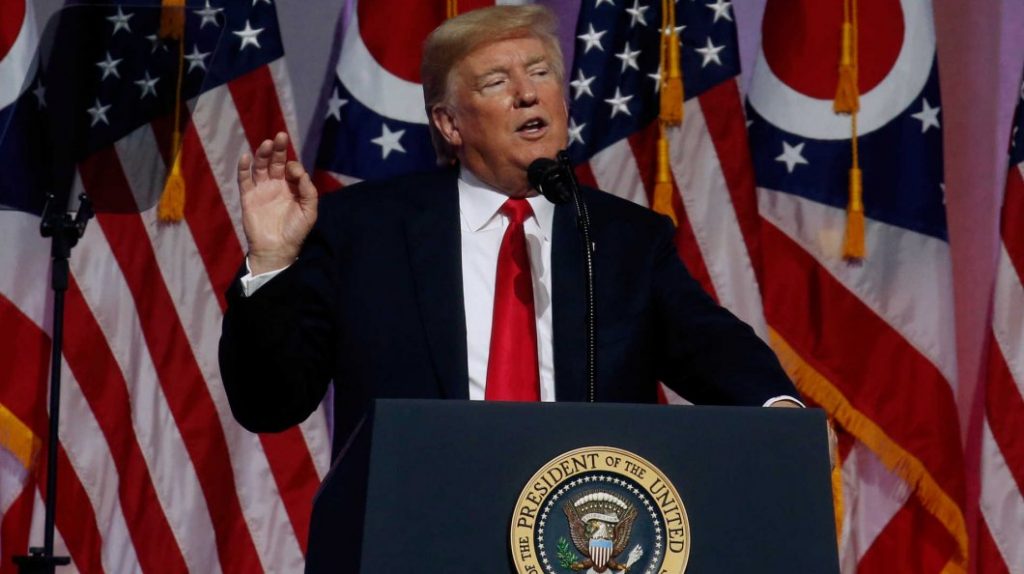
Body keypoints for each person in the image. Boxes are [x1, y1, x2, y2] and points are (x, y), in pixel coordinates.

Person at [219, 5, 804, 458]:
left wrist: (778, 409)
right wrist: (271, 262)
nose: (528, 92)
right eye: (496, 82)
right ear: (450, 123)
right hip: (416, 535)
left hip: (578, 538)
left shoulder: (625, 239)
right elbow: (269, 403)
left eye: (541, 73)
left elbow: (713, 348)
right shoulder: (363, 230)